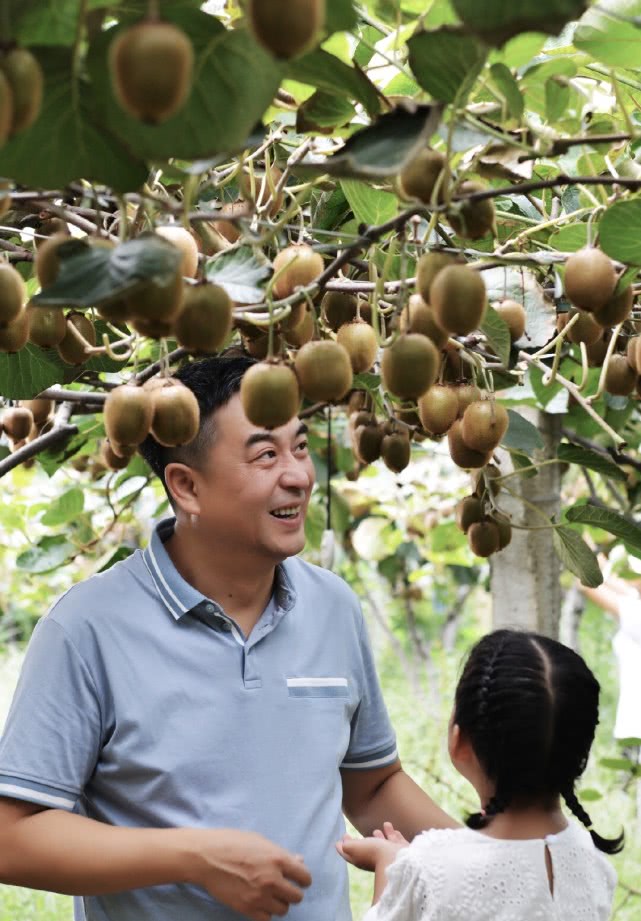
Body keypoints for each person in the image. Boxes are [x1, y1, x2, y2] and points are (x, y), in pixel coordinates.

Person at [0, 353, 456, 921]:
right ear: (187, 487)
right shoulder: (85, 629)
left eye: (300, 446)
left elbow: (369, 785)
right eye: (265, 454)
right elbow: (12, 839)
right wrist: (194, 857)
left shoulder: (332, 606)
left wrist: (487, 860)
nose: (298, 475)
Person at [338, 628, 623, 921]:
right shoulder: (594, 865)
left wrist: (388, 863)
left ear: (459, 741)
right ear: (581, 753)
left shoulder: (429, 868)